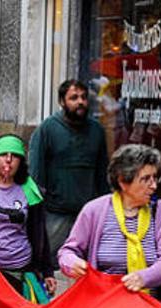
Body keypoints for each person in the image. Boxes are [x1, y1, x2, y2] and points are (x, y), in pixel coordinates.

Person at [59, 144, 161, 295]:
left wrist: (144, 278)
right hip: (104, 303)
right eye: (146, 179)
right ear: (123, 181)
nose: (153, 186)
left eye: (155, 177)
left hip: (149, 306)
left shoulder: (160, 210)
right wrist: (72, 263)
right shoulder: (95, 210)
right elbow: (67, 252)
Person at [30, 79, 109, 265]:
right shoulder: (47, 129)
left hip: (89, 214)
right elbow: (36, 173)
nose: (80, 102)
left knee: (88, 266)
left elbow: (102, 173)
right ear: (62, 102)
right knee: (49, 264)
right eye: (74, 98)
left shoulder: (97, 131)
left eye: (83, 97)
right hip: (56, 214)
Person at [0, 135, 56, 302]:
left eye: (14, 156)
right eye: (3, 155)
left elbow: (40, 233)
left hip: (20, 269)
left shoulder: (30, 191)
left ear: (21, 161)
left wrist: (47, 272)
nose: (8, 160)